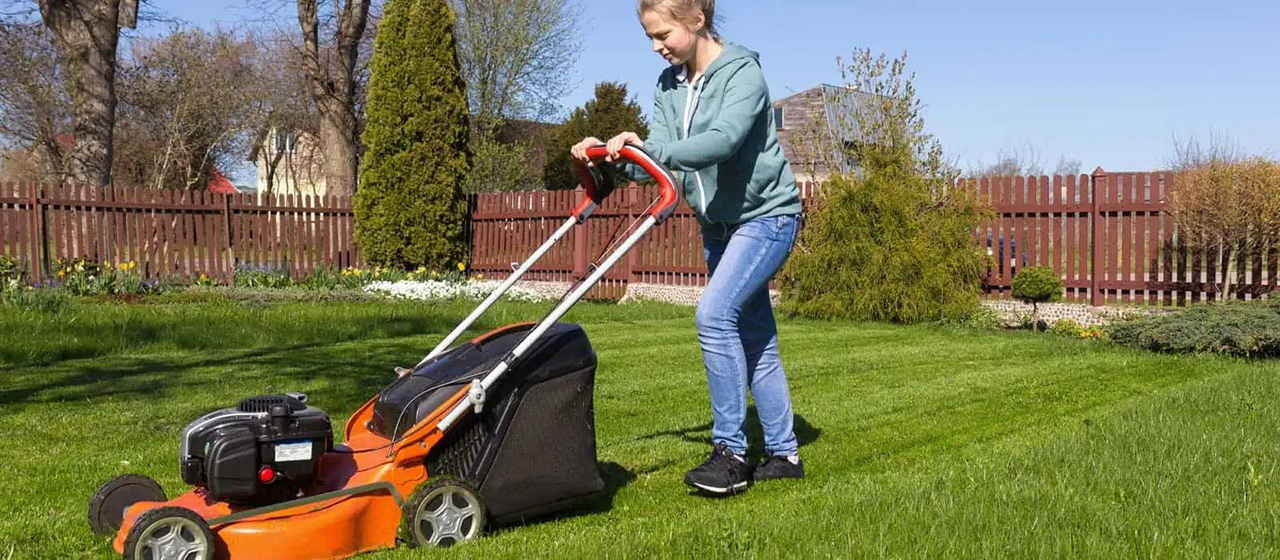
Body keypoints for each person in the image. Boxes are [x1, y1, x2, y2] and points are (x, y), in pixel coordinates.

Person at [571, 0, 804, 495]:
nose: (657, 47)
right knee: (755, 337)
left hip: (767, 217)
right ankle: (785, 453)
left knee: (714, 317)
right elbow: (663, 162)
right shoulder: (668, 86)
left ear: (696, 21)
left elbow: (721, 141)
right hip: (719, 226)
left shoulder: (742, 74)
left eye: (663, 35)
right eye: (650, 38)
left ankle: (731, 453)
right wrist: (613, 155)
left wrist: (649, 149)